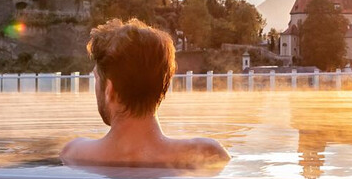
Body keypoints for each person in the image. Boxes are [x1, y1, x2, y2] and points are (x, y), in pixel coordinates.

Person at [60, 19, 230, 169]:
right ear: (163, 86)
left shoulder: (75, 153)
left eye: (96, 79)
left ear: (109, 90)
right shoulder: (208, 154)